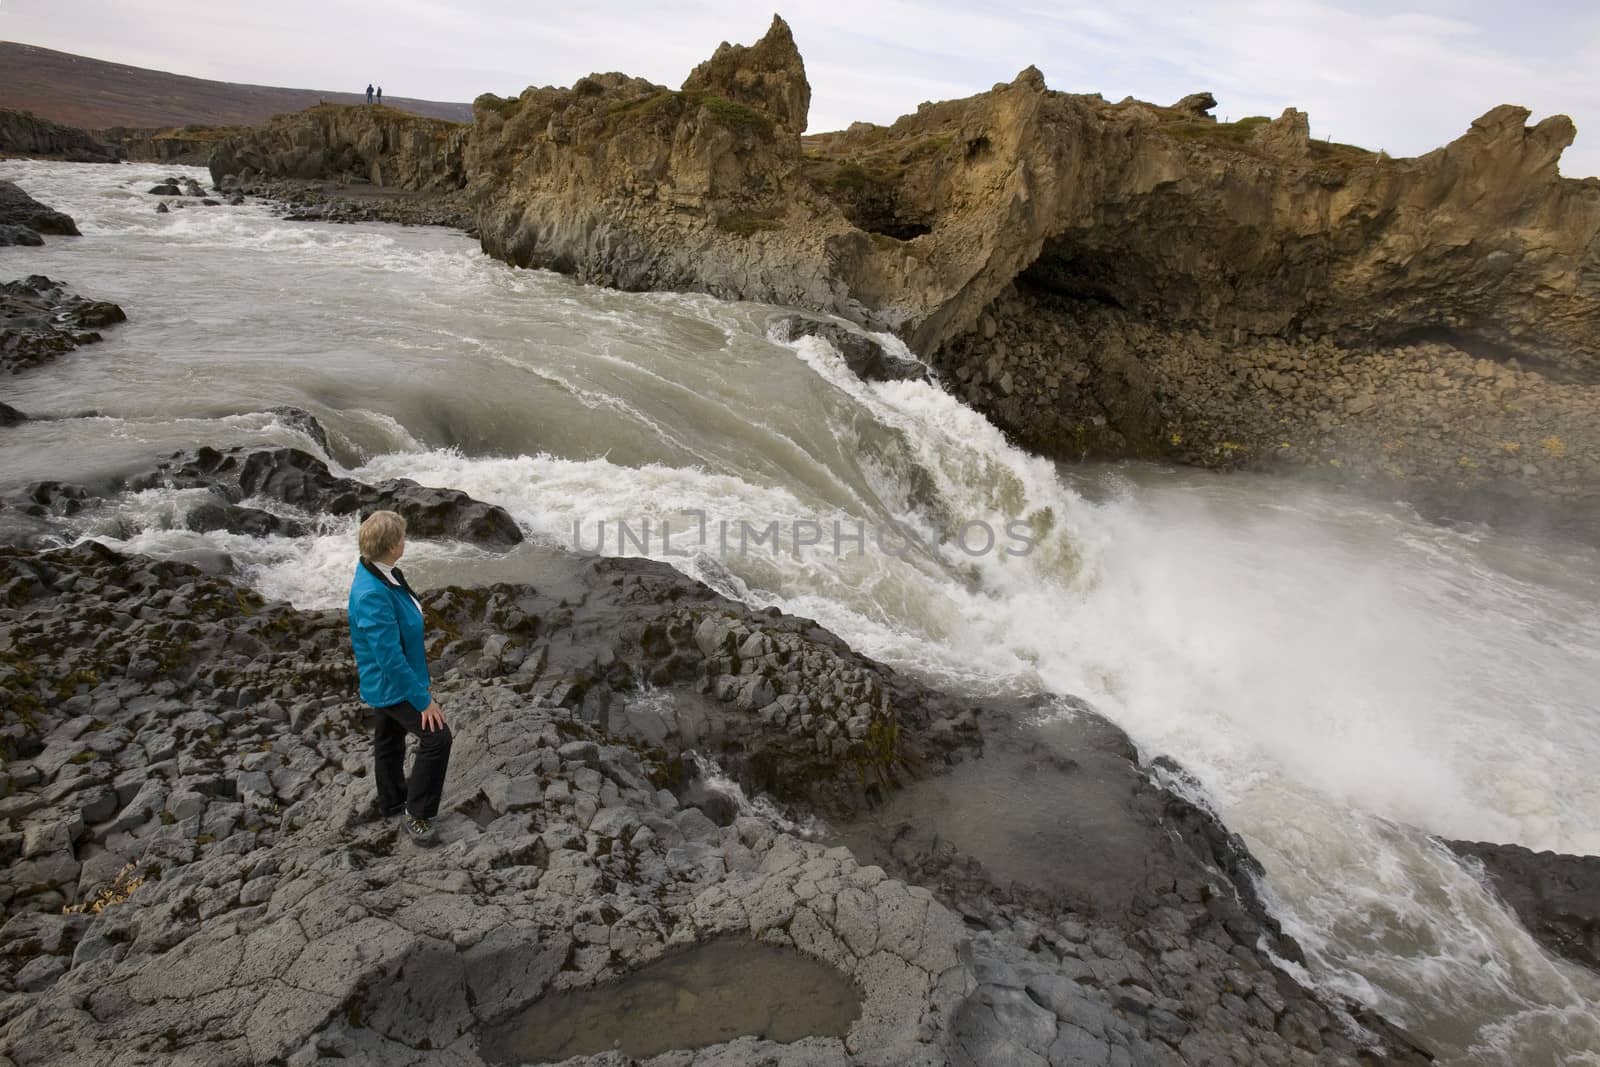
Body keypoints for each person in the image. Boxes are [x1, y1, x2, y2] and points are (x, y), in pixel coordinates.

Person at [348, 510, 451, 843]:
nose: (405, 541)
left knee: (389, 741)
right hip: (391, 683)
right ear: (392, 546)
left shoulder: (379, 571)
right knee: (437, 738)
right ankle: (417, 814)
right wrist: (423, 700)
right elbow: (388, 657)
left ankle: (393, 802)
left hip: (389, 679)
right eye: (403, 537)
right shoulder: (372, 593)